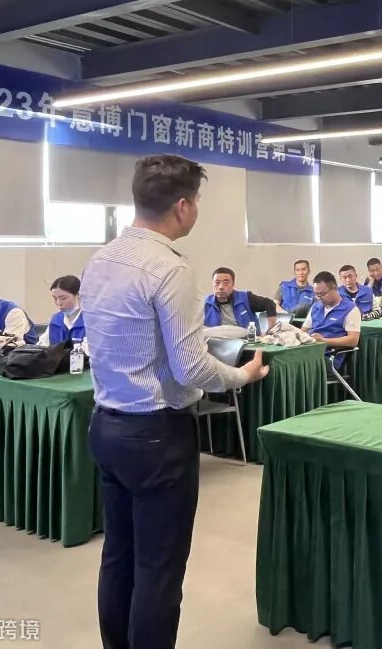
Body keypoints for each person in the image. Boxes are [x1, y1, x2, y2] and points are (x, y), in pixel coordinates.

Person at [81, 155, 269, 649]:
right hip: (156, 434)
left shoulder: (99, 261)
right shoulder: (170, 269)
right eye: (199, 201)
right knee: (158, 568)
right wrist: (241, 375)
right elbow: (191, 368)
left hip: (106, 425)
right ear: (183, 206)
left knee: (119, 556)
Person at [302, 271, 361, 378]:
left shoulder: (351, 309)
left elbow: (353, 340)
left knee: (298, 367)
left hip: (329, 358)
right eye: (317, 294)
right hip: (309, 353)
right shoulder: (316, 307)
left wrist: (324, 341)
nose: (319, 297)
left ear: (334, 288)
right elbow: (303, 331)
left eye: (323, 294)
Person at [203, 267, 276, 330]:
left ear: (233, 285)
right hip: (217, 340)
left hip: (246, 339)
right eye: (217, 282)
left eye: (226, 283)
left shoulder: (246, 298)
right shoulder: (204, 303)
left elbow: (269, 304)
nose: (221, 287)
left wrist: (269, 331)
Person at [38, 275, 85, 346]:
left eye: (63, 298)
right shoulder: (56, 320)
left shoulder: (89, 321)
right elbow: (42, 345)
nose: (58, 303)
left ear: (78, 295)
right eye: (55, 298)